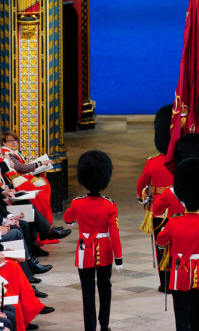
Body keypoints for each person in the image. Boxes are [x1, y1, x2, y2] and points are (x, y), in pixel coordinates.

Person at [156, 158, 199, 331]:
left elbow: (161, 241)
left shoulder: (172, 222)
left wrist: (165, 246)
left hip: (179, 275)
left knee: (181, 317)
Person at [64, 150, 122, 331]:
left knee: (87, 293)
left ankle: (90, 328)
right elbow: (115, 234)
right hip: (104, 251)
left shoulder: (77, 203)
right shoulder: (109, 204)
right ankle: (104, 325)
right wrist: (118, 258)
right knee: (105, 289)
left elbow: (67, 219)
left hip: (84, 252)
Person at [136, 104, 174, 292]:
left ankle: (164, 282)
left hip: (158, 210)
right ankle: (176, 280)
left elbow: (141, 185)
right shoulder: (183, 161)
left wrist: (142, 199)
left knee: (161, 247)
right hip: (179, 210)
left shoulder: (152, 162)